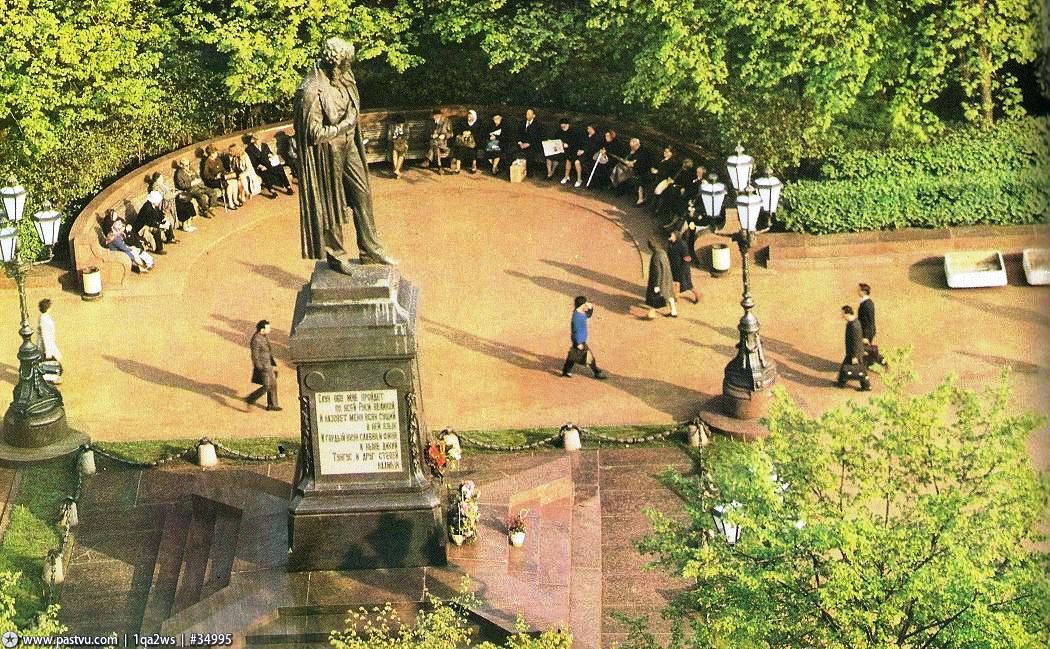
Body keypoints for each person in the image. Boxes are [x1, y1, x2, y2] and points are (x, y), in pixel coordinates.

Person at [294, 37, 396, 269]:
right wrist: (345, 124)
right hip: (325, 154)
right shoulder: (311, 90)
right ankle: (337, 256)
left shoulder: (344, 77)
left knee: (362, 194)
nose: (349, 67)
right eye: (346, 63)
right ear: (335, 64)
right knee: (330, 204)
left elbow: (353, 105)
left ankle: (371, 250)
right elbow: (314, 134)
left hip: (349, 147)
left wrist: (350, 123)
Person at [560, 296, 608, 379]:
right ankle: (597, 372)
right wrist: (578, 343)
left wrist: (591, 308)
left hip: (579, 340)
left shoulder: (580, 312)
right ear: (582, 305)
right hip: (579, 341)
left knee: (572, 356)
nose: (586, 304)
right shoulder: (577, 317)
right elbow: (576, 331)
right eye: (585, 303)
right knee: (589, 357)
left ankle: (566, 371)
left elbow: (588, 315)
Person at [247, 320, 281, 411]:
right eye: (268, 328)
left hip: (268, 364)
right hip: (263, 366)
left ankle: (272, 405)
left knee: (273, 384)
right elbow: (255, 355)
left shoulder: (263, 336)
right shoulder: (256, 339)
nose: (270, 329)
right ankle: (251, 398)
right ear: (262, 330)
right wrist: (259, 366)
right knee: (267, 386)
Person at [837, 305, 871, 391]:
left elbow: (855, 342)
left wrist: (854, 356)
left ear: (847, 313)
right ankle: (841, 383)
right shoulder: (853, 323)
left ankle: (866, 386)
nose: (842, 316)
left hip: (855, 352)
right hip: (852, 352)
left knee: (860, 370)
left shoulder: (854, 326)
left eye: (843, 314)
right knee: (845, 367)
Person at [645, 236, 677, 318]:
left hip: (660, 280)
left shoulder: (655, 256)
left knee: (654, 297)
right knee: (669, 294)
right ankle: (673, 311)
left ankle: (651, 314)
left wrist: (656, 285)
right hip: (667, 277)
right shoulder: (663, 252)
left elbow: (657, 272)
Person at [202, 145, 239, 210]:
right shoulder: (207, 163)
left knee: (234, 181)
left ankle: (235, 200)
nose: (217, 154)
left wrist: (225, 172)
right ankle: (230, 203)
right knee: (229, 184)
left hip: (221, 177)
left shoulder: (218, 159)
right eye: (215, 153)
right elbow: (206, 175)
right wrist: (215, 177)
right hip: (213, 181)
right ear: (211, 154)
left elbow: (222, 168)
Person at [857, 282, 886, 366]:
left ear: (864, 292)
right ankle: (867, 364)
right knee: (865, 350)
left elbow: (868, 321)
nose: (857, 291)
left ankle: (883, 362)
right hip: (866, 331)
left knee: (868, 350)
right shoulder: (865, 302)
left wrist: (866, 336)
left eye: (859, 290)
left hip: (867, 332)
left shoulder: (867, 305)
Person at [668, 228, 699, 304]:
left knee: (689, 286)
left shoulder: (682, 245)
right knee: (676, 284)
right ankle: (676, 298)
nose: (670, 237)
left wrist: (684, 270)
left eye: (671, 236)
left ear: (676, 236)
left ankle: (698, 296)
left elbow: (687, 258)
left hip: (682, 270)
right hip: (675, 268)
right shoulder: (671, 244)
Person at [37, 299, 62, 383]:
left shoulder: (44, 316)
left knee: (51, 360)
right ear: (47, 308)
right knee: (51, 361)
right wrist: (48, 350)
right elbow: (45, 335)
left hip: (49, 342)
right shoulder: (44, 319)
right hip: (47, 344)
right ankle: (52, 378)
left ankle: (51, 376)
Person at [512, 108, 543, 173]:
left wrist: (529, 144)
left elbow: (539, 138)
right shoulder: (521, 123)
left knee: (530, 153)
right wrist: (520, 142)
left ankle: (529, 172)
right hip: (521, 144)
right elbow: (517, 134)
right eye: (527, 114)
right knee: (511, 149)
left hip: (532, 145)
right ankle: (513, 171)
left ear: (533, 115)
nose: (527, 115)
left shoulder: (538, 125)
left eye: (529, 114)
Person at [549, 118, 580, 183]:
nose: (563, 128)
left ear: (567, 125)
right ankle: (550, 173)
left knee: (568, 158)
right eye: (562, 126)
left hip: (571, 151)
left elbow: (575, 143)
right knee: (550, 157)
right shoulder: (559, 132)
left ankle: (566, 176)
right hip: (560, 150)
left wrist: (567, 145)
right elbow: (556, 141)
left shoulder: (573, 132)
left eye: (564, 126)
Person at [423, 109, 453, 173]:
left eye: (437, 115)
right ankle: (439, 167)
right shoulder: (429, 123)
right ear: (432, 116)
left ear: (440, 115)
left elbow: (451, 134)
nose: (436, 117)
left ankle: (427, 160)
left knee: (435, 145)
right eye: (434, 116)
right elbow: (425, 134)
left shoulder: (446, 121)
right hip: (433, 143)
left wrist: (444, 136)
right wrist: (431, 136)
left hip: (443, 144)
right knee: (436, 146)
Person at [453, 109, 481, 174]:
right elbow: (457, 131)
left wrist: (471, 134)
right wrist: (463, 133)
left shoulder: (478, 124)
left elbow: (480, 133)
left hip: (473, 142)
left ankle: (474, 167)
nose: (469, 117)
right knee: (460, 149)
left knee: (473, 150)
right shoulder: (463, 123)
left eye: (471, 116)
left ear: (474, 116)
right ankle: (458, 168)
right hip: (463, 142)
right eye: (469, 116)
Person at [574, 124, 601, 188]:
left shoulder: (597, 138)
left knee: (577, 162)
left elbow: (594, 148)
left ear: (592, 129)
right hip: (583, 153)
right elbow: (582, 144)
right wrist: (579, 150)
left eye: (589, 128)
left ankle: (579, 179)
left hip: (591, 155)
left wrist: (584, 151)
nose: (587, 130)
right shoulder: (586, 136)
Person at [387, 114, 409, 179]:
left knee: (396, 153)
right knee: (400, 154)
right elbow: (407, 136)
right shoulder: (405, 126)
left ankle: (396, 171)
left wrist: (396, 140)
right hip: (399, 143)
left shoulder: (392, 126)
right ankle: (397, 170)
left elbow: (389, 137)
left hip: (397, 143)